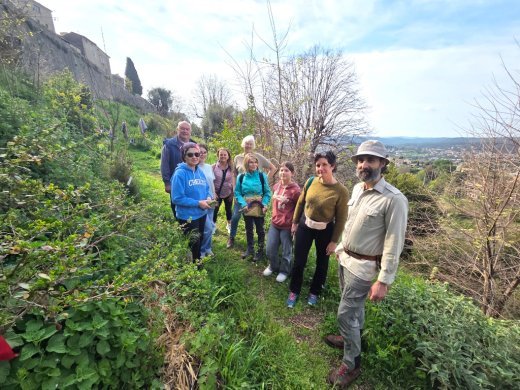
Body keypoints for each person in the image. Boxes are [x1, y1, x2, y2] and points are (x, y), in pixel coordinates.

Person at [325, 140, 408, 388]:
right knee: (352, 310)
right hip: (345, 259)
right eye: (361, 160)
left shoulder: (394, 199)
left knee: (344, 314)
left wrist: (383, 280)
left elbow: (394, 243)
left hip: (363, 269)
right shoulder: (358, 189)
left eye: (370, 160)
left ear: (382, 164)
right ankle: (350, 337)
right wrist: (340, 248)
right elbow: (351, 224)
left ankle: (352, 364)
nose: (364, 165)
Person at [287, 151, 349, 308]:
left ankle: (314, 292)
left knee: (322, 263)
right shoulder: (311, 182)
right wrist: (294, 222)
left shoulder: (341, 191)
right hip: (305, 225)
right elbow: (301, 203)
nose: (320, 168)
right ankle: (294, 290)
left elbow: (341, 218)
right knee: (299, 261)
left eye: (324, 165)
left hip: (325, 230)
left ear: (332, 166)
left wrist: (334, 241)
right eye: (318, 165)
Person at [227, 135, 276, 248]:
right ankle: (232, 237)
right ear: (243, 144)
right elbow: (234, 174)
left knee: (254, 220)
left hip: (255, 197)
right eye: (246, 143)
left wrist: (263, 181)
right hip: (241, 194)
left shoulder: (258, 157)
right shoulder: (237, 158)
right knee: (235, 217)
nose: (248, 145)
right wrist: (235, 188)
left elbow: (273, 168)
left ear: (253, 145)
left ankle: (255, 245)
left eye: (250, 143)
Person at [171, 143, 212, 263]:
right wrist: (198, 203)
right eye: (190, 154)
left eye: (197, 154)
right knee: (193, 243)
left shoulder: (200, 172)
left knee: (200, 238)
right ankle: (195, 267)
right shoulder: (180, 174)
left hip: (201, 213)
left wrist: (209, 197)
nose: (194, 157)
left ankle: (196, 262)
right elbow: (177, 198)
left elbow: (207, 189)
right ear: (184, 156)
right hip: (187, 216)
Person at [264, 162, 301, 283]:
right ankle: (273, 266)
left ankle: (284, 271)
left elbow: (299, 208)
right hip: (275, 223)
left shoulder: (296, 191)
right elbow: (273, 203)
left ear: (292, 173)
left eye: (286, 170)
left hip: (287, 226)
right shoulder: (276, 186)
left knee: (286, 251)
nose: (283, 173)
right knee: (270, 248)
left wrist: (295, 224)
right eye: (281, 170)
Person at [234, 153, 272, 261]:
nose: (254, 164)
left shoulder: (261, 175)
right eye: (251, 162)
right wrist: (244, 204)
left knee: (260, 229)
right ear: (246, 163)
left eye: (255, 162)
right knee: (249, 228)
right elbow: (237, 193)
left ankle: (260, 251)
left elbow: (267, 193)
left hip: (259, 206)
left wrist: (264, 204)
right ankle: (250, 249)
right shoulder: (241, 177)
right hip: (247, 207)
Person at [160, 121, 194, 217]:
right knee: (177, 203)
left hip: (191, 180)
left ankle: (191, 222)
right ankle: (180, 224)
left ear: (190, 131)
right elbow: (164, 164)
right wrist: (167, 182)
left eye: (187, 129)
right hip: (176, 181)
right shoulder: (169, 145)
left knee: (191, 202)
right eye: (182, 128)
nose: (185, 131)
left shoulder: (194, 144)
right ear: (177, 130)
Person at [198, 144, 216, 258]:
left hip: (211, 199)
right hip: (202, 201)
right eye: (200, 152)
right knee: (207, 228)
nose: (202, 154)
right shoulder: (195, 167)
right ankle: (202, 250)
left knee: (210, 225)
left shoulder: (209, 166)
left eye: (204, 152)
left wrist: (214, 195)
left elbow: (212, 183)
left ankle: (208, 247)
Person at [212, 148, 234, 233]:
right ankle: (213, 226)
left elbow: (233, 180)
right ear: (218, 156)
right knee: (215, 210)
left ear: (228, 156)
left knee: (228, 209)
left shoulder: (231, 167)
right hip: (216, 193)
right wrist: (213, 193)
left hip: (228, 192)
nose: (223, 156)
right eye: (221, 154)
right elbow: (211, 181)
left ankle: (229, 225)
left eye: (225, 154)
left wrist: (232, 193)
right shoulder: (213, 167)